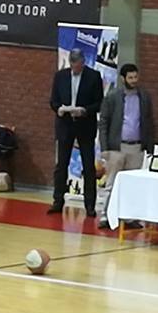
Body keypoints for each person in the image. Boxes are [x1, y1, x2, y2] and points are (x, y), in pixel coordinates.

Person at [98, 63, 154, 229]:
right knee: (112, 182)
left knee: (132, 184)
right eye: (130, 77)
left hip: (136, 147)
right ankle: (105, 215)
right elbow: (103, 122)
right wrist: (104, 148)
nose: (134, 80)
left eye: (136, 77)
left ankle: (128, 216)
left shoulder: (144, 97)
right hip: (117, 147)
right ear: (123, 78)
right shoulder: (113, 96)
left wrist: (149, 146)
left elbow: (149, 122)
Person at [49, 49, 104, 216]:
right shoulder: (60, 76)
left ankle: (90, 205)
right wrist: (58, 109)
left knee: (88, 166)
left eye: (78, 64)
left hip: (85, 125)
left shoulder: (94, 76)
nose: (75, 67)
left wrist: (84, 110)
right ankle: (58, 201)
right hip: (65, 124)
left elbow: (99, 103)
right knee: (61, 165)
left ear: (83, 62)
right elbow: (53, 101)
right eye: (72, 64)